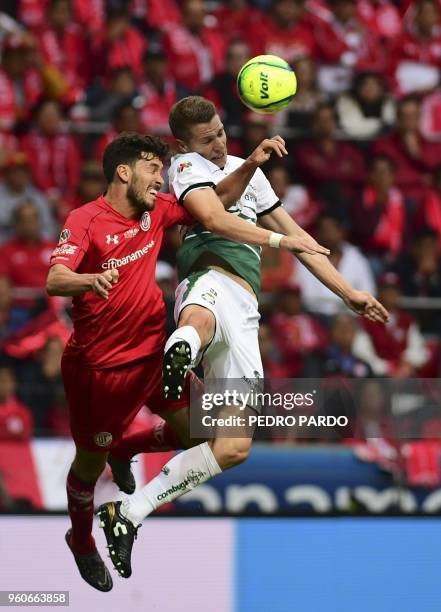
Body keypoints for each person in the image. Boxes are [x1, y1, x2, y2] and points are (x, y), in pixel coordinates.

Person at [97, 96, 389, 579]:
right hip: (208, 277)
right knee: (201, 318)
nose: (218, 142)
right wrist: (275, 233)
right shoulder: (185, 167)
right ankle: (183, 347)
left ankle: (129, 513)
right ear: (182, 144)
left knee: (233, 447)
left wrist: (349, 292)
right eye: (207, 138)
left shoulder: (251, 174)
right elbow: (213, 216)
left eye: (220, 132)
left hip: (247, 311)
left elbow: (304, 243)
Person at [47, 131, 328, 591]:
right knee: (87, 466)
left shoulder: (155, 211)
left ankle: (128, 445)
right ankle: (80, 540)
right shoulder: (85, 221)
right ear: (124, 172)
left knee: (207, 434)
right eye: (153, 169)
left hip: (158, 354)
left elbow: (215, 201)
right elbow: (56, 278)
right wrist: (90, 280)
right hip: (102, 371)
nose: (162, 178)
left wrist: (251, 162)